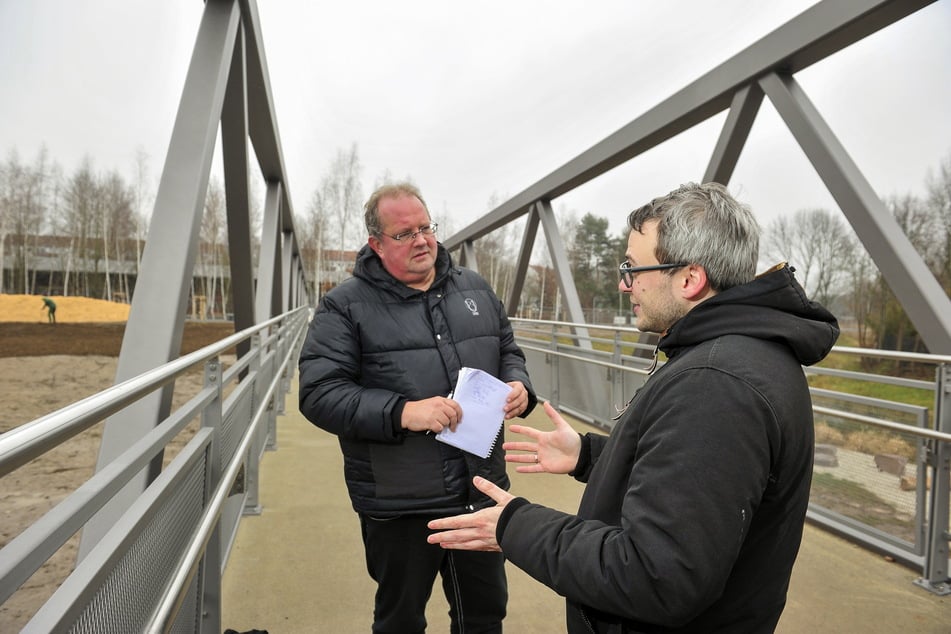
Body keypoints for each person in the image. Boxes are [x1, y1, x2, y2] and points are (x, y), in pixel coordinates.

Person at [428, 182, 840, 633]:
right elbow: (693, 473)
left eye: (633, 267)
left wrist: (515, 526)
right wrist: (589, 455)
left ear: (689, 278)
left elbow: (656, 575)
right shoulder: (744, 355)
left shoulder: (715, 384)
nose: (626, 284)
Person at [298, 182, 538, 634]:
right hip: (401, 502)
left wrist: (519, 384)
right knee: (400, 619)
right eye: (404, 233)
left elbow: (507, 347)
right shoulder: (344, 307)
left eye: (426, 227)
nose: (422, 240)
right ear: (376, 244)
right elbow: (318, 394)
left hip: (480, 490)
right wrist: (403, 412)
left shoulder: (475, 288)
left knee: (484, 616)